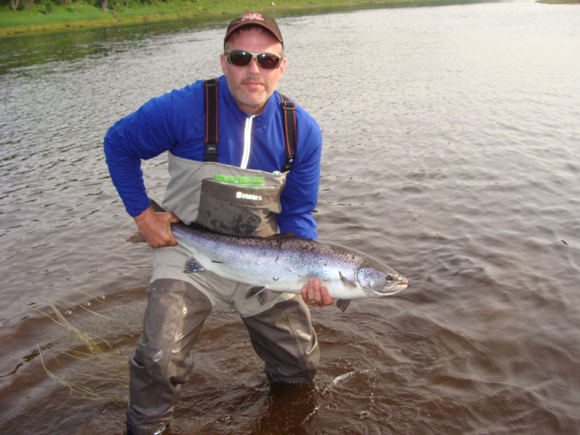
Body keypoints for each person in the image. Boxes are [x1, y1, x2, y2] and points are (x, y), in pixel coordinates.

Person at [104, 12, 333, 435]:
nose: (253, 69)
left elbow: (299, 213)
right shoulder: (184, 108)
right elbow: (118, 143)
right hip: (187, 251)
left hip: (267, 262)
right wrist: (143, 215)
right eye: (242, 57)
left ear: (282, 67)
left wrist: (307, 270)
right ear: (224, 61)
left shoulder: (302, 131)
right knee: (158, 357)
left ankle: (284, 416)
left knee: (299, 364)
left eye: (266, 60)